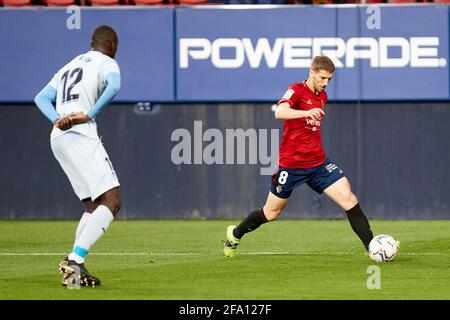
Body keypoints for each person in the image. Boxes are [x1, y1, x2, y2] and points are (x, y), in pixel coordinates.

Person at [224, 55, 375, 258]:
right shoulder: (296, 90)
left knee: (349, 199)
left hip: (318, 164)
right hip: (291, 165)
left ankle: (373, 248)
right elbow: (280, 112)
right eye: (322, 78)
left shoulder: (323, 96)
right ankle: (235, 234)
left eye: (329, 79)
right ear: (311, 72)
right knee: (271, 213)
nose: (326, 83)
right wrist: (305, 113)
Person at [34, 25, 122, 287]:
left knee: (93, 206)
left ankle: (73, 274)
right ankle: (75, 260)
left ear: (90, 43)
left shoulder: (69, 65)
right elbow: (115, 86)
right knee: (112, 201)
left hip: (59, 137)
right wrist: (89, 113)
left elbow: (41, 97)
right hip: (81, 135)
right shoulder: (107, 62)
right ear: (112, 45)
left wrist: (58, 120)